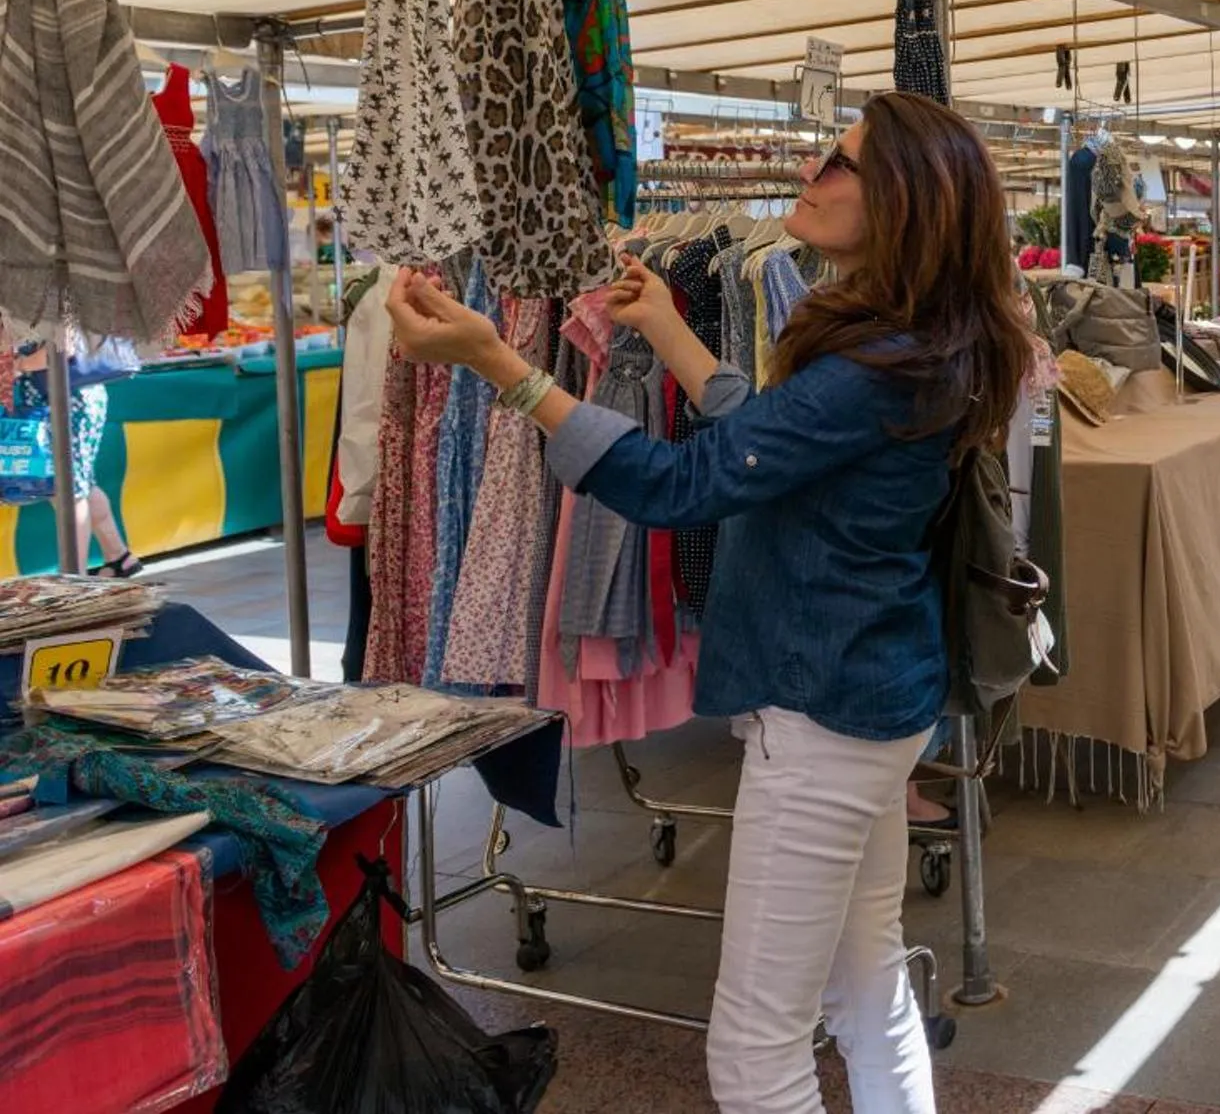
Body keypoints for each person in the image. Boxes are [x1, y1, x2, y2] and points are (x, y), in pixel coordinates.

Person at [386, 91, 1033, 1114]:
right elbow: (770, 444)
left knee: (755, 1048)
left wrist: (498, 365)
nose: (812, 174)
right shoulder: (916, 344)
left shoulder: (875, 363)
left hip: (824, 713)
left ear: (903, 199)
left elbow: (681, 486)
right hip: (876, 696)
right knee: (865, 981)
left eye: (840, 163)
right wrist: (677, 336)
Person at [7, 342, 137, 578]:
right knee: (79, 483)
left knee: (66, 488)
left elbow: (62, 345)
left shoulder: (55, 304)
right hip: (57, 395)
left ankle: (74, 577)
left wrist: (19, 365)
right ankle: (119, 557)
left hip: (66, 397)